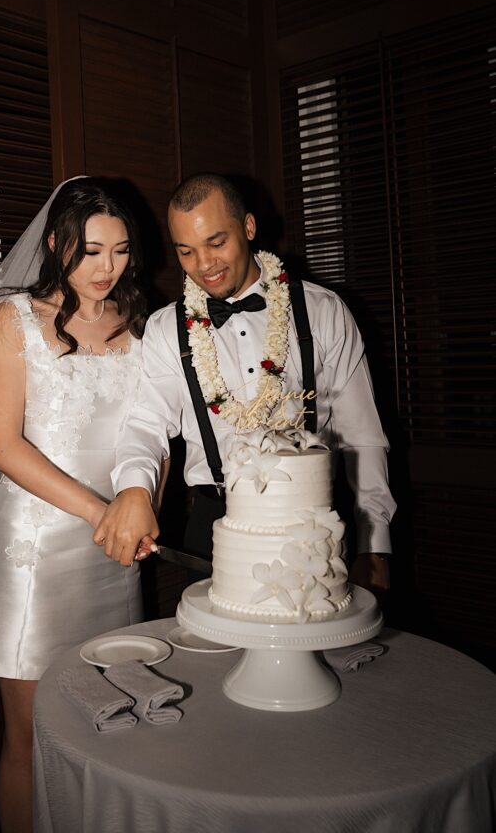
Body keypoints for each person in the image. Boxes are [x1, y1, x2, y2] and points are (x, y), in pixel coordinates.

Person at [0, 177, 156, 833]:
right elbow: (1, 444)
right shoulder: (14, 317)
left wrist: (141, 506)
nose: (106, 268)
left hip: (112, 553)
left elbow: (152, 434)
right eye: (90, 251)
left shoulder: (142, 322)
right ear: (58, 242)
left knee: (107, 724)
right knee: (28, 734)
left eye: (120, 251)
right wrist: (99, 512)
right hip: (35, 551)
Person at [95, 173, 396, 595]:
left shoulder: (323, 311)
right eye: (186, 251)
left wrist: (374, 546)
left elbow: (362, 437)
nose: (204, 265)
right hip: (216, 524)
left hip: (317, 518)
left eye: (217, 243)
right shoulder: (166, 328)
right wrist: (133, 490)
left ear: (249, 227)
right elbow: (147, 423)